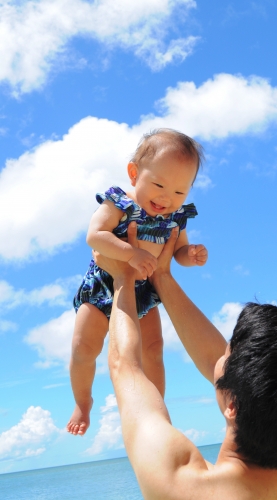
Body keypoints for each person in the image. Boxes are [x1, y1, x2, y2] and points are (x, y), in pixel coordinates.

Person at [95, 223, 277, 500]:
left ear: (232, 405)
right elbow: (225, 370)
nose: (221, 354)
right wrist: (161, 275)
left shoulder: (180, 484)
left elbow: (126, 367)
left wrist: (122, 277)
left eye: (227, 354)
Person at [67, 129, 208, 436]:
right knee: (83, 347)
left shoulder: (175, 217)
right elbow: (95, 235)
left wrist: (190, 254)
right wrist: (130, 254)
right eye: (158, 184)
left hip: (145, 289)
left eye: (179, 192)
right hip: (105, 283)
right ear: (134, 173)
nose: (166, 198)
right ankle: (83, 401)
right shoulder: (120, 203)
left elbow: (178, 249)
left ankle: (155, 410)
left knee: (154, 350)